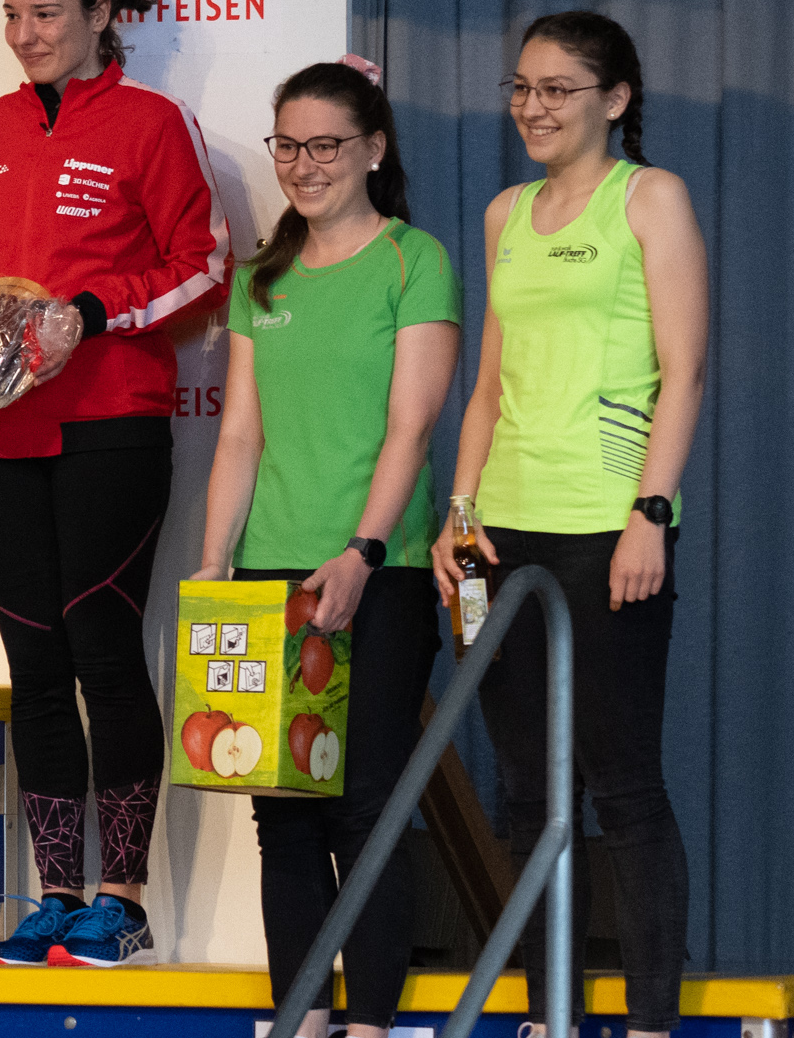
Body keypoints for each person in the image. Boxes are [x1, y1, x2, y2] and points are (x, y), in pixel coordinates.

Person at [0, 0, 230, 967]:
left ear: (101, 14)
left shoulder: (151, 122)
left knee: (103, 653)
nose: (25, 35)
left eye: (46, 14)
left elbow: (203, 264)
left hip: (112, 421)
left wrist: (95, 313)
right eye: (12, 16)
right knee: (33, 665)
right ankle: (57, 895)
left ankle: (124, 897)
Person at [441, 13, 705, 1037]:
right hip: (498, 533)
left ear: (615, 98)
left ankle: (648, 1022)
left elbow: (683, 369)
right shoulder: (505, 212)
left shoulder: (650, 198)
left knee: (622, 785)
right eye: (521, 86)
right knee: (524, 790)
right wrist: (459, 513)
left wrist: (650, 512)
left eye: (556, 88)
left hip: (604, 523)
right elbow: (488, 384)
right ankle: (551, 1014)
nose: (532, 106)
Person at [192, 58, 459, 1036]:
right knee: (284, 811)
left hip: (377, 570)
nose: (303, 165)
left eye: (326, 145)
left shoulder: (413, 261)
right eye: (288, 145)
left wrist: (361, 551)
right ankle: (300, 1017)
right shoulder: (262, 279)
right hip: (272, 571)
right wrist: (214, 565)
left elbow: (410, 428)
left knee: (364, 803)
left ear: (372, 149)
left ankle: (370, 1022)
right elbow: (238, 435)